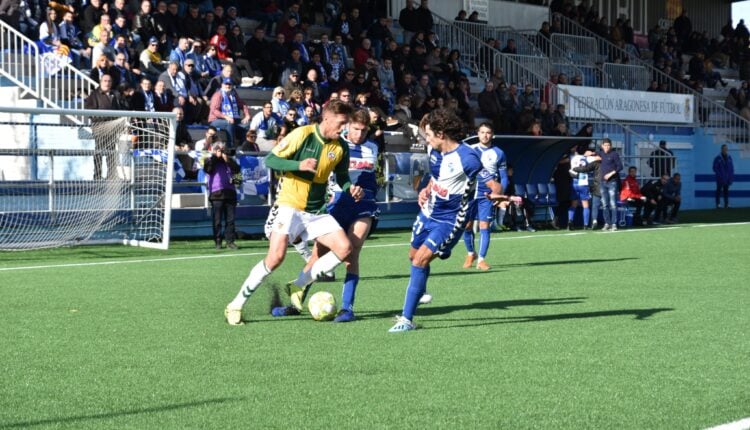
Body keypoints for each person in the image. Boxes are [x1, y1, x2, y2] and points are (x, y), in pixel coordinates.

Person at [223, 100, 357, 326]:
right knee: (275, 258)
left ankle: (299, 284)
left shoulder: (341, 147)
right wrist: (299, 165)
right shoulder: (302, 134)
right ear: (327, 118)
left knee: (345, 248)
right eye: (341, 123)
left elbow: (343, 177)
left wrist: (349, 188)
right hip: (289, 205)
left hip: (316, 209)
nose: (343, 128)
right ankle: (235, 305)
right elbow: (271, 159)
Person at [272, 108, 382, 322]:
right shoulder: (336, 144)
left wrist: (364, 190)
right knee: (317, 255)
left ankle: (347, 309)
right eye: (355, 129)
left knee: (352, 253)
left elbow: (371, 178)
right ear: (348, 126)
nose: (359, 134)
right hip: (338, 203)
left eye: (363, 130)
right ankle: (295, 303)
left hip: (364, 205)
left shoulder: (373, 148)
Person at [389, 108, 483, 333]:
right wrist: (426, 189)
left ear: (441, 134)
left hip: (449, 220)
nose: (426, 139)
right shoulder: (434, 151)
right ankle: (423, 282)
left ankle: (406, 319)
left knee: (420, 260)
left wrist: (501, 195)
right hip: (428, 212)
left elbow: (489, 182)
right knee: (413, 256)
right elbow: (437, 177)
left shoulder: (468, 158)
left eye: (429, 134)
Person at [462, 123, 507, 271]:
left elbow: (504, 177)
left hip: (487, 195)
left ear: (492, 135)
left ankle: (481, 259)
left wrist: (498, 195)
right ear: (478, 133)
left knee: (484, 226)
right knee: (467, 225)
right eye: (482, 132)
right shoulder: (470, 150)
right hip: (468, 193)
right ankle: (471, 253)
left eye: (488, 133)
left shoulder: (498, 153)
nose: (485, 135)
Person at [84, 74, 125, 180]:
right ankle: (97, 175)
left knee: (111, 153)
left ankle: (111, 175)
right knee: (99, 152)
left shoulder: (115, 94)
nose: (107, 83)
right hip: (100, 128)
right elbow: (89, 111)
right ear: (100, 82)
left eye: (109, 81)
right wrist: (102, 119)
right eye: (105, 81)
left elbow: (121, 108)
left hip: (113, 129)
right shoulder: (94, 94)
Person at [204, 142, 240, 250]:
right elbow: (208, 169)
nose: (223, 152)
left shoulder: (230, 160)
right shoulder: (209, 160)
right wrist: (216, 157)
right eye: (220, 150)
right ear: (214, 151)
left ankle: (230, 241)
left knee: (231, 220)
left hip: (230, 193)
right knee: (217, 220)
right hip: (216, 195)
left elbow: (237, 171)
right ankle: (218, 241)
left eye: (223, 150)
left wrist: (227, 160)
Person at [208, 78, 251, 147]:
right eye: (226, 84)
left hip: (231, 119)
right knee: (229, 123)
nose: (228, 86)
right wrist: (226, 117)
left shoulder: (233, 94)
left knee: (247, 124)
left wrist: (247, 115)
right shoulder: (218, 95)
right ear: (222, 85)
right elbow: (214, 110)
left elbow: (242, 104)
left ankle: (242, 146)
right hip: (215, 120)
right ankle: (231, 146)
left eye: (229, 84)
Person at [597, 138, 623, 232]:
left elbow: (620, 166)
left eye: (608, 145)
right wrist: (588, 153)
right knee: (604, 204)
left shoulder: (614, 154)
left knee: (613, 204)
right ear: (602, 146)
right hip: (602, 182)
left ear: (611, 146)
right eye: (605, 145)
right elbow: (593, 155)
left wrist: (611, 174)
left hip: (612, 182)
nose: (607, 147)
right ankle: (607, 223)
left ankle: (614, 224)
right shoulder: (600, 153)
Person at [567, 145, 593, 229]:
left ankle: (570, 221)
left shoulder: (572, 158)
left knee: (573, 204)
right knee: (585, 204)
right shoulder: (587, 158)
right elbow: (598, 158)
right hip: (583, 183)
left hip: (574, 183)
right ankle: (585, 225)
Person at [713, 144, 734, 208]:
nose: (725, 150)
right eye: (724, 149)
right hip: (720, 178)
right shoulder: (717, 158)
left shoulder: (729, 158)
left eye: (726, 149)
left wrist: (730, 177)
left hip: (727, 178)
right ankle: (718, 204)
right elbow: (715, 168)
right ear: (721, 149)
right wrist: (720, 175)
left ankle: (726, 204)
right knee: (718, 191)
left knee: (726, 191)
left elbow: (731, 168)